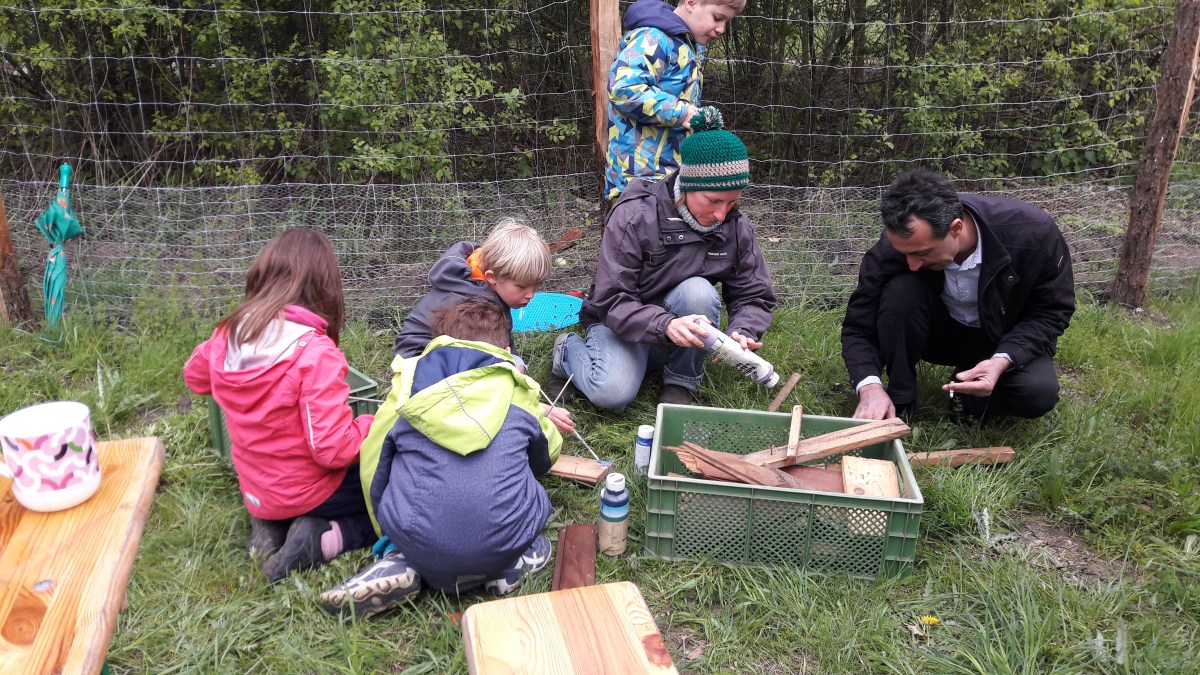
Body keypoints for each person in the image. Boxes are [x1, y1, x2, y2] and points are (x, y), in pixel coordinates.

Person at [318, 298, 563, 618]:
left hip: (417, 535)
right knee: (538, 497)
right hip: (503, 537)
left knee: (409, 500)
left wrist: (386, 529)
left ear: (438, 341)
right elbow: (548, 455)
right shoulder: (517, 387)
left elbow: (374, 459)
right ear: (505, 349)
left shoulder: (408, 384)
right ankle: (511, 562)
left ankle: (399, 556)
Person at [183, 228, 376, 583]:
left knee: (281, 492)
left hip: (256, 488)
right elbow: (332, 450)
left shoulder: (227, 334)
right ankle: (323, 538)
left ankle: (270, 525)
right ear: (324, 287)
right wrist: (373, 426)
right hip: (309, 492)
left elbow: (194, 377)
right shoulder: (315, 353)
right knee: (388, 498)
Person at [552, 107, 777, 412]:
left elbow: (753, 294)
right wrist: (665, 324)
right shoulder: (635, 215)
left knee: (698, 292)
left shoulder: (736, 227)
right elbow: (611, 299)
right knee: (611, 394)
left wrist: (743, 331)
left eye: (732, 202)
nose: (721, 214)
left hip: (674, 326)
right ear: (688, 185)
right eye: (713, 201)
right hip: (620, 323)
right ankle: (567, 352)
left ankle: (682, 380)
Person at [841, 168, 1076, 422]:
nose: (912, 264)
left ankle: (966, 398)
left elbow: (1050, 312)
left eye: (922, 253)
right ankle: (901, 397)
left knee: (1038, 393)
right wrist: (869, 387)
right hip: (937, 334)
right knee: (901, 291)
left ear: (956, 228)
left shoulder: (1034, 234)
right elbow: (859, 324)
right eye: (904, 253)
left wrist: (1002, 360)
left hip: (1001, 336)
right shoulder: (899, 244)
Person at [392, 217, 573, 434]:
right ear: (492, 277)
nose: (531, 295)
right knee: (503, 382)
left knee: (516, 365)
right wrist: (535, 406)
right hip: (420, 370)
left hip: (453, 353)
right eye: (522, 286)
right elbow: (484, 372)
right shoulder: (476, 305)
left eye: (536, 285)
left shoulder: (484, 278)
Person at [604, 0, 746, 201]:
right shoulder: (653, 38)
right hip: (639, 179)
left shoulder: (686, 46)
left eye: (726, 22)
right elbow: (624, 88)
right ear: (691, 3)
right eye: (717, 18)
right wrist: (681, 113)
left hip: (667, 174)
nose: (721, 29)